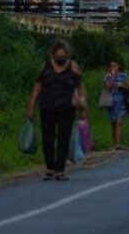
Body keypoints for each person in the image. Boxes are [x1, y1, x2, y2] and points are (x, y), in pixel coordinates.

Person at [27, 40, 87, 182]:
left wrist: (84, 109)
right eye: (58, 56)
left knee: (63, 139)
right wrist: (31, 108)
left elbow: (81, 88)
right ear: (53, 55)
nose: (61, 59)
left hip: (67, 108)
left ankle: (60, 170)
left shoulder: (73, 66)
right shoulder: (46, 67)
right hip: (47, 107)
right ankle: (50, 168)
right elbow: (37, 88)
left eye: (63, 56)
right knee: (47, 139)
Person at [103, 61, 129, 150]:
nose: (114, 67)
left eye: (115, 65)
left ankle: (118, 144)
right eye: (112, 66)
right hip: (111, 103)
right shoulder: (107, 76)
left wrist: (122, 85)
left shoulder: (124, 75)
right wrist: (113, 76)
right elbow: (107, 88)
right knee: (113, 124)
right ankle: (115, 143)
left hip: (122, 103)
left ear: (118, 66)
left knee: (119, 122)